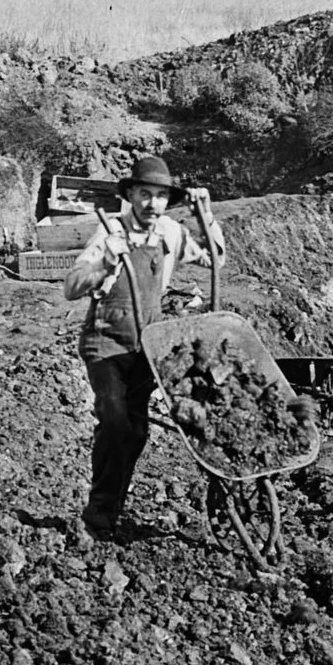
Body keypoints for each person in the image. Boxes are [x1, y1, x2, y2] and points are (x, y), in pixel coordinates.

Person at [62, 155, 225, 535]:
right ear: (131, 195)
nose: (152, 203)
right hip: (105, 343)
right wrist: (105, 264)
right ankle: (99, 511)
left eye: (160, 196)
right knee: (115, 421)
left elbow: (215, 260)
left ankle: (112, 509)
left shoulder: (170, 232)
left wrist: (206, 215)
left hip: (145, 347)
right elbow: (71, 287)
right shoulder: (111, 231)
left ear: (168, 200)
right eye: (145, 194)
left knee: (135, 432)